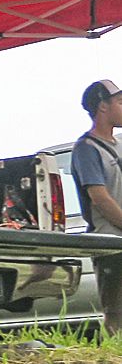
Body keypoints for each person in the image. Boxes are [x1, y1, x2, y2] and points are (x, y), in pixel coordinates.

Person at [70, 80, 122, 333]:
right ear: (103, 107)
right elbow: (100, 197)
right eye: (120, 102)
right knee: (116, 310)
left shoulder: (118, 146)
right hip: (110, 241)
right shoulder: (86, 149)